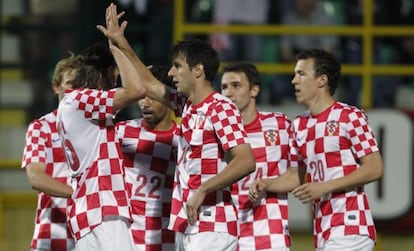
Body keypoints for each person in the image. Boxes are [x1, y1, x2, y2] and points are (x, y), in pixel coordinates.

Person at [97, 3, 256, 250]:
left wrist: (203, 189)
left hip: (213, 225)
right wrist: (120, 42)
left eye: (177, 66)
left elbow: (246, 160)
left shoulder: (220, 107)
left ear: (198, 70)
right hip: (189, 224)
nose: (171, 73)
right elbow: (149, 85)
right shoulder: (187, 106)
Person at [249, 49, 384, 251]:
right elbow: (297, 176)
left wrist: (325, 186)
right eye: (295, 74)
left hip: (351, 226)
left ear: (322, 80)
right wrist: (267, 183)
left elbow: (374, 168)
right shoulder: (300, 125)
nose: (294, 80)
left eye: (301, 74)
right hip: (324, 230)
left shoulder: (349, 117)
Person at [56, 42, 145, 250]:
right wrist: (117, 45)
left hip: (87, 213)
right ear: (105, 74)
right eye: (115, 77)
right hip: (103, 208)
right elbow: (136, 90)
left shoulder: (71, 105)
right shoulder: (81, 100)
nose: (115, 84)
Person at [220, 62, 291, 251]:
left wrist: (268, 184)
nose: (228, 93)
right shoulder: (213, 133)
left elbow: (300, 171)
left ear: (254, 90)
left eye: (236, 86)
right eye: (224, 87)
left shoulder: (280, 125)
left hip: (270, 237)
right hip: (225, 237)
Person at [115, 65, 179, 250]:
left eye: (152, 96)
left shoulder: (184, 140)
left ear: (168, 98)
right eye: (141, 96)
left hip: (168, 238)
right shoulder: (121, 132)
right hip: (127, 237)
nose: (145, 103)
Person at [21, 53, 79, 251]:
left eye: (81, 85)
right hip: (52, 237)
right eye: (71, 83)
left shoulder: (98, 127)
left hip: (90, 236)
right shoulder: (41, 127)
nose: (76, 91)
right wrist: (82, 195)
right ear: (56, 87)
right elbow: (36, 178)